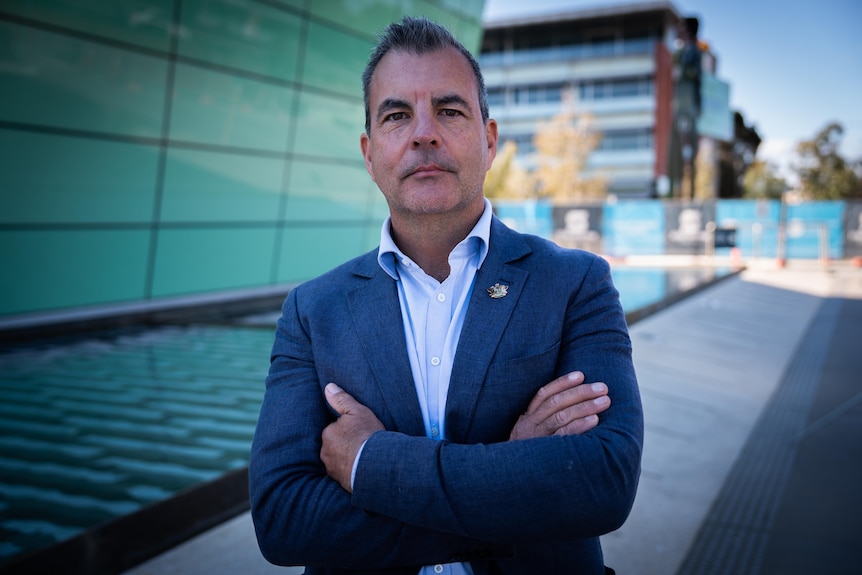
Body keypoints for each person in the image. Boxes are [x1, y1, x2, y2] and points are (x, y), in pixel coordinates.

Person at [249, 17, 643, 575]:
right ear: (369, 153)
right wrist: (512, 474)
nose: (424, 133)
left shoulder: (576, 283)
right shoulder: (313, 311)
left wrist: (368, 461)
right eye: (396, 115)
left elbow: (603, 482)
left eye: (450, 110)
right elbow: (282, 520)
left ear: (489, 139)